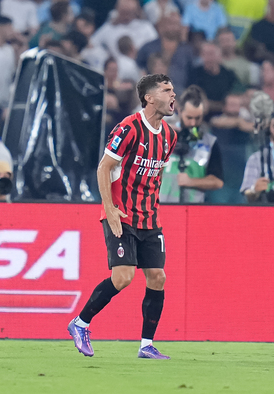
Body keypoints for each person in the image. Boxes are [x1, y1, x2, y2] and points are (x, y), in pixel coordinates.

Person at [67, 74, 178, 359]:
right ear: (150, 98)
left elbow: (157, 174)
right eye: (167, 90)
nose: (173, 95)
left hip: (150, 218)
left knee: (158, 276)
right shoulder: (128, 128)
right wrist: (110, 208)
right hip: (121, 214)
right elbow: (104, 168)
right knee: (124, 276)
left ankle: (146, 345)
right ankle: (80, 324)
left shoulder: (169, 136)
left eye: (173, 90)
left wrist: (153, 207)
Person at [159, 85, 224, 203]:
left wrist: (191, 181)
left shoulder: (210, 142)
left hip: (193, 210)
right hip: (161, 208)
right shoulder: (163, 135)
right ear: (179, 111)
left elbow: (217, 181)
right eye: (189, 117)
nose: (193, 123)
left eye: (198, 118)